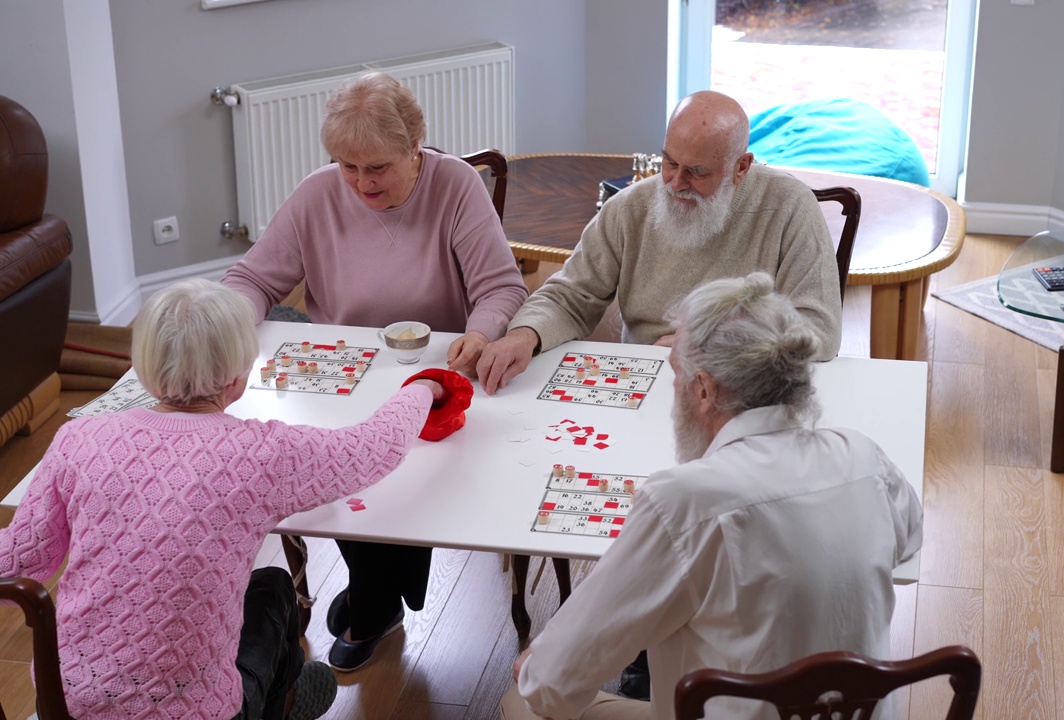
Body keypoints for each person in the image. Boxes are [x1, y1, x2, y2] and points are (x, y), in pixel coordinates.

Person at [0, 279, 444, 720]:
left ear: (145, 366)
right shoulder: (258, 454)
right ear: (238, 377)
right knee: (273, 590)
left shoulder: (77, 439)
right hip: (194, 711)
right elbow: (372, 448)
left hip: (67, 697)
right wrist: (423, 388)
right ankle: (280, 704)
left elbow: (17, 561)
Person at [500, 273, 923, 720]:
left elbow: (551, 685)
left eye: (677, 374)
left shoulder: (683, 502)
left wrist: (537, 663)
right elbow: (908, 539)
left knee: (521, 703)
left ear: (704, 390)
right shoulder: (862, 457)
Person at [222, 71, 528, 671]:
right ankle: (377, 597)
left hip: (436, 375)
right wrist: (224, 324)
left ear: (418, 146)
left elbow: (500, 288)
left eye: (378, 168)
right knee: (338, 471)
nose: (361, 184)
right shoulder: (317, 194)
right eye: (346, 166)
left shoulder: (456, 186)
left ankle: (374, 600)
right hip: (343, 379)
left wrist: (479, 332)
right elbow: (253, 279)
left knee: (403, 480)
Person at [476, 90, 843, 397]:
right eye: (669, 162)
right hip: (646, 381)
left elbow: (819, 331)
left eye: (697, 172)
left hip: (746, 387)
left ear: (741, 167)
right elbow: (569, 296)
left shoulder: (790, 205)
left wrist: (707, 344)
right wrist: (526, 335)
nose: (675, 183)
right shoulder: (629, 208)